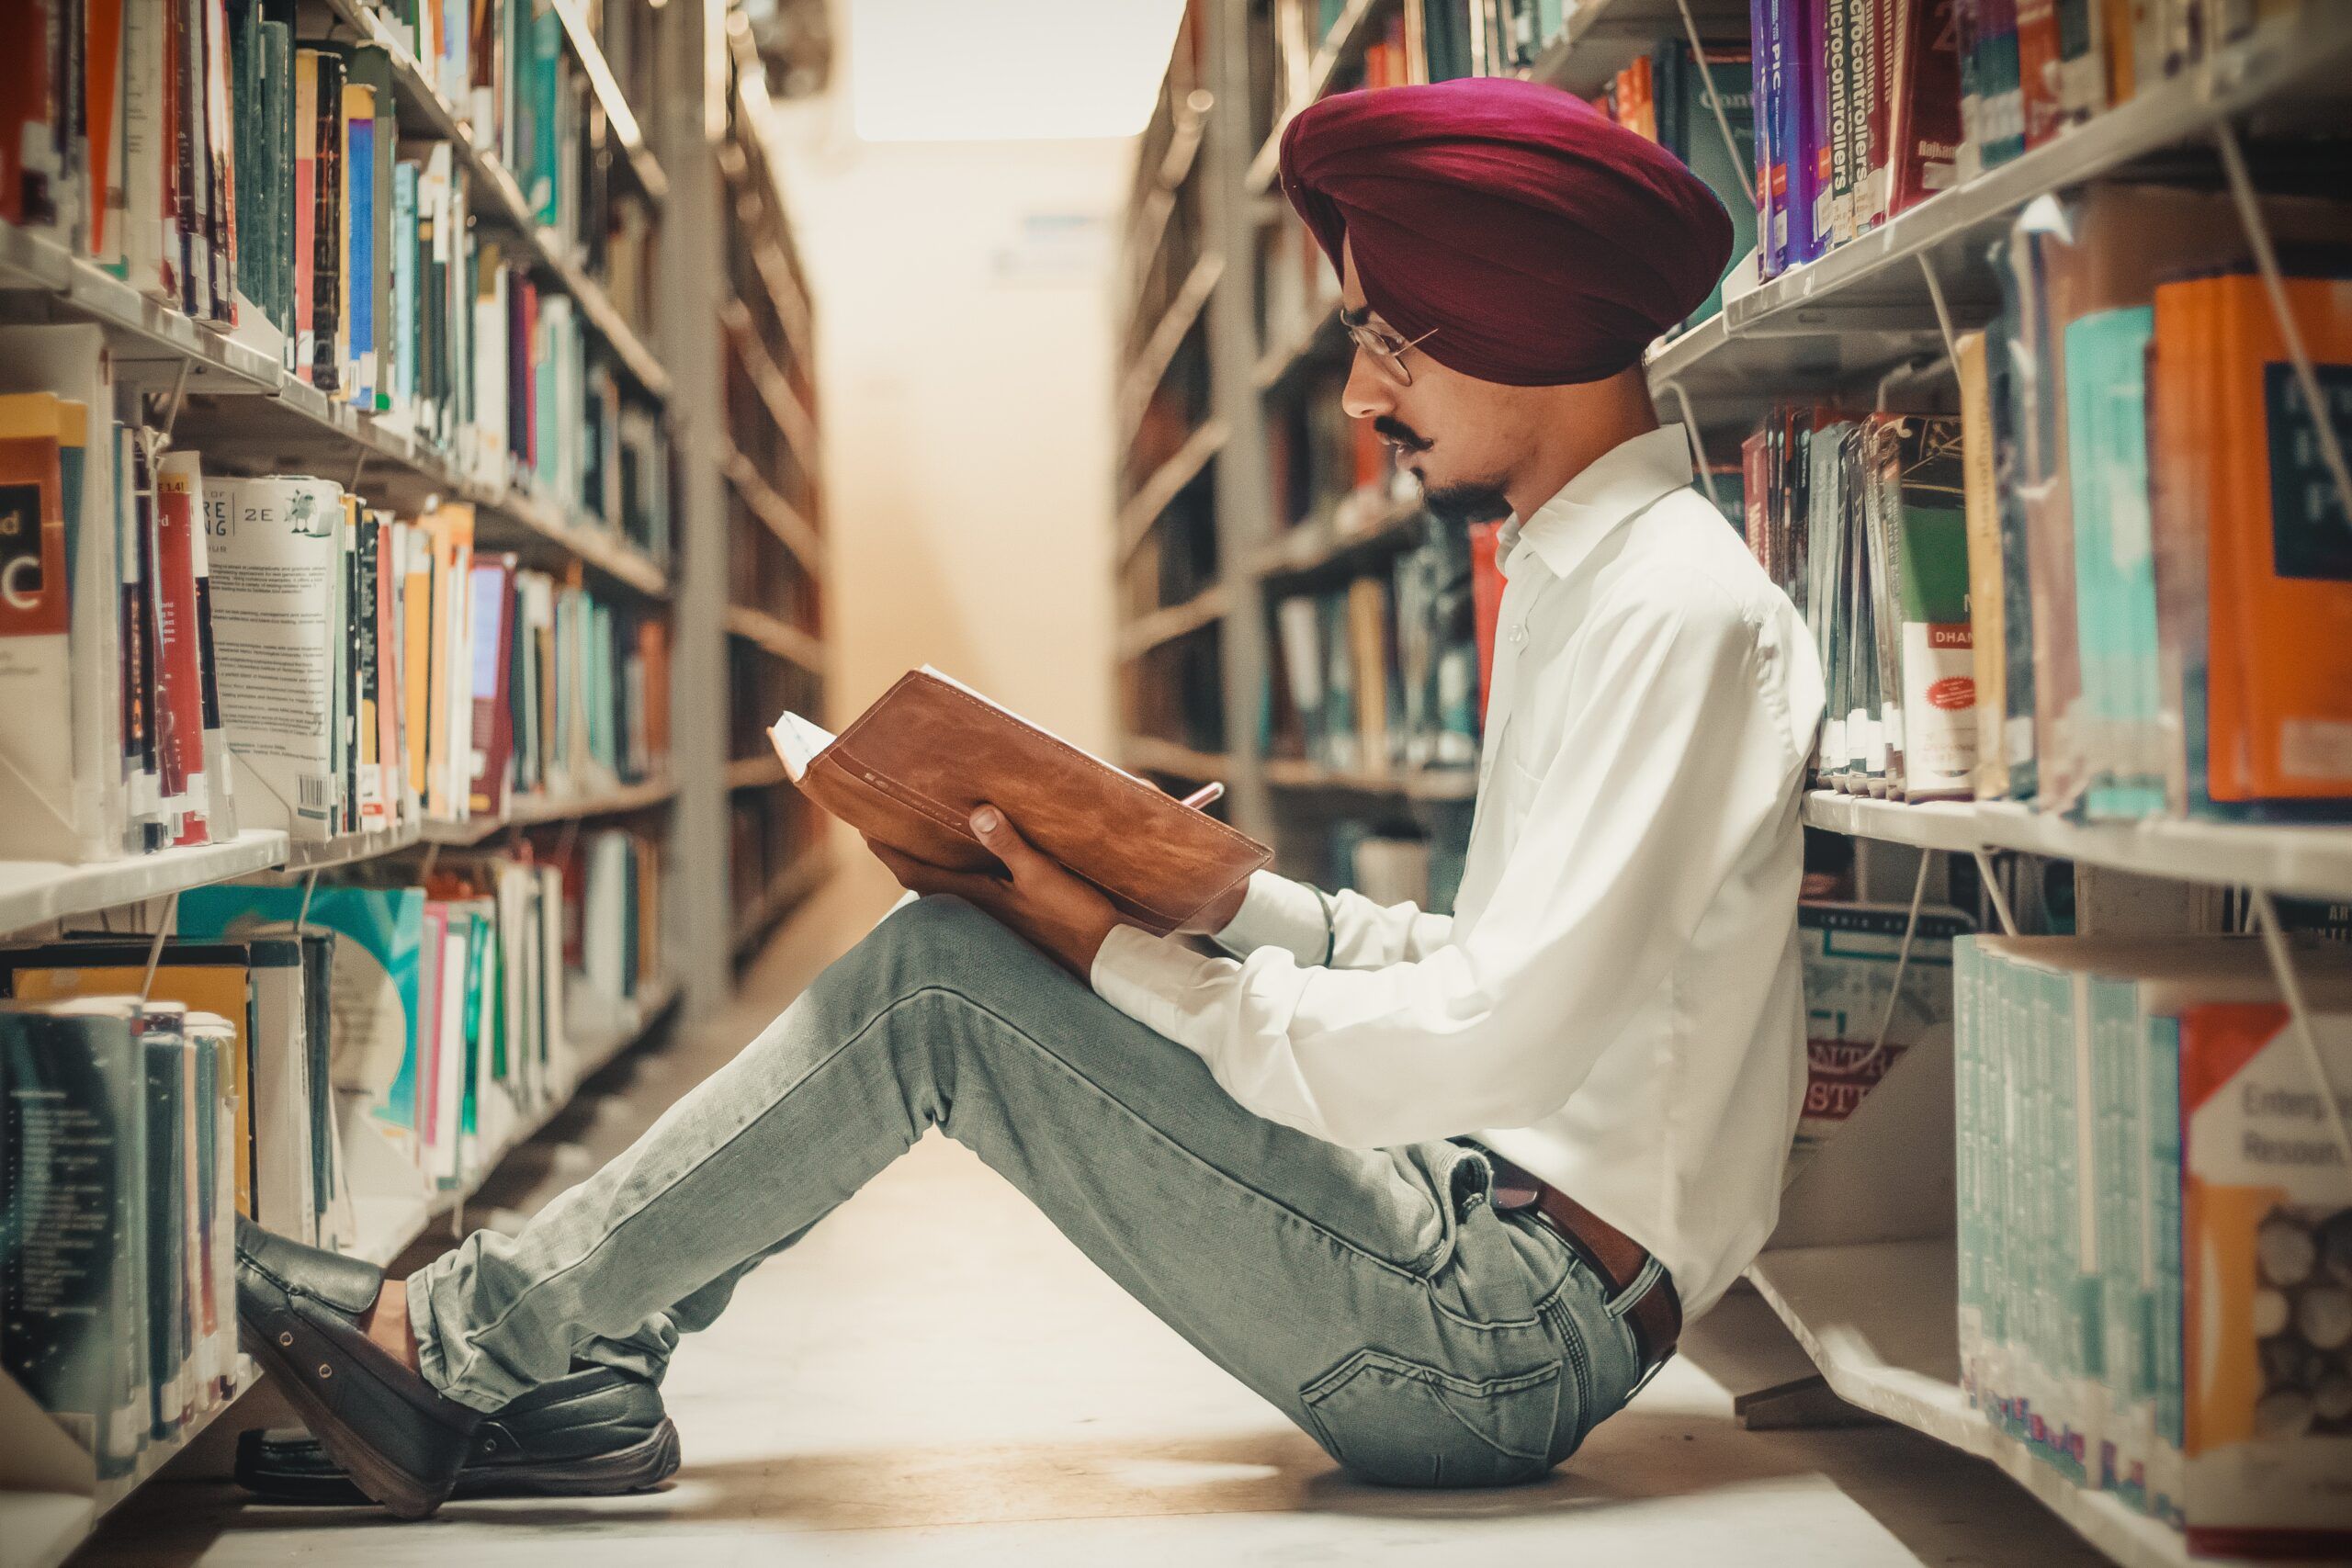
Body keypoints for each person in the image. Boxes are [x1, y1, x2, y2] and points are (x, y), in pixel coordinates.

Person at [232, 74, 1826, 1519]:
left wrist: (1115, 955)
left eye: (1385, 343)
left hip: (1499, 1342)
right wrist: (1186, 888)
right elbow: (1487, 965)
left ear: (1515, 331)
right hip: (1468, 1216)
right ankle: (555, 1359)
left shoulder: (1676, 610)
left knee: (944, 989)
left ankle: (462, 1352)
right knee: (973, 955)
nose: (1357, 396)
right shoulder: (1577, 575)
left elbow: (1503, 1038)